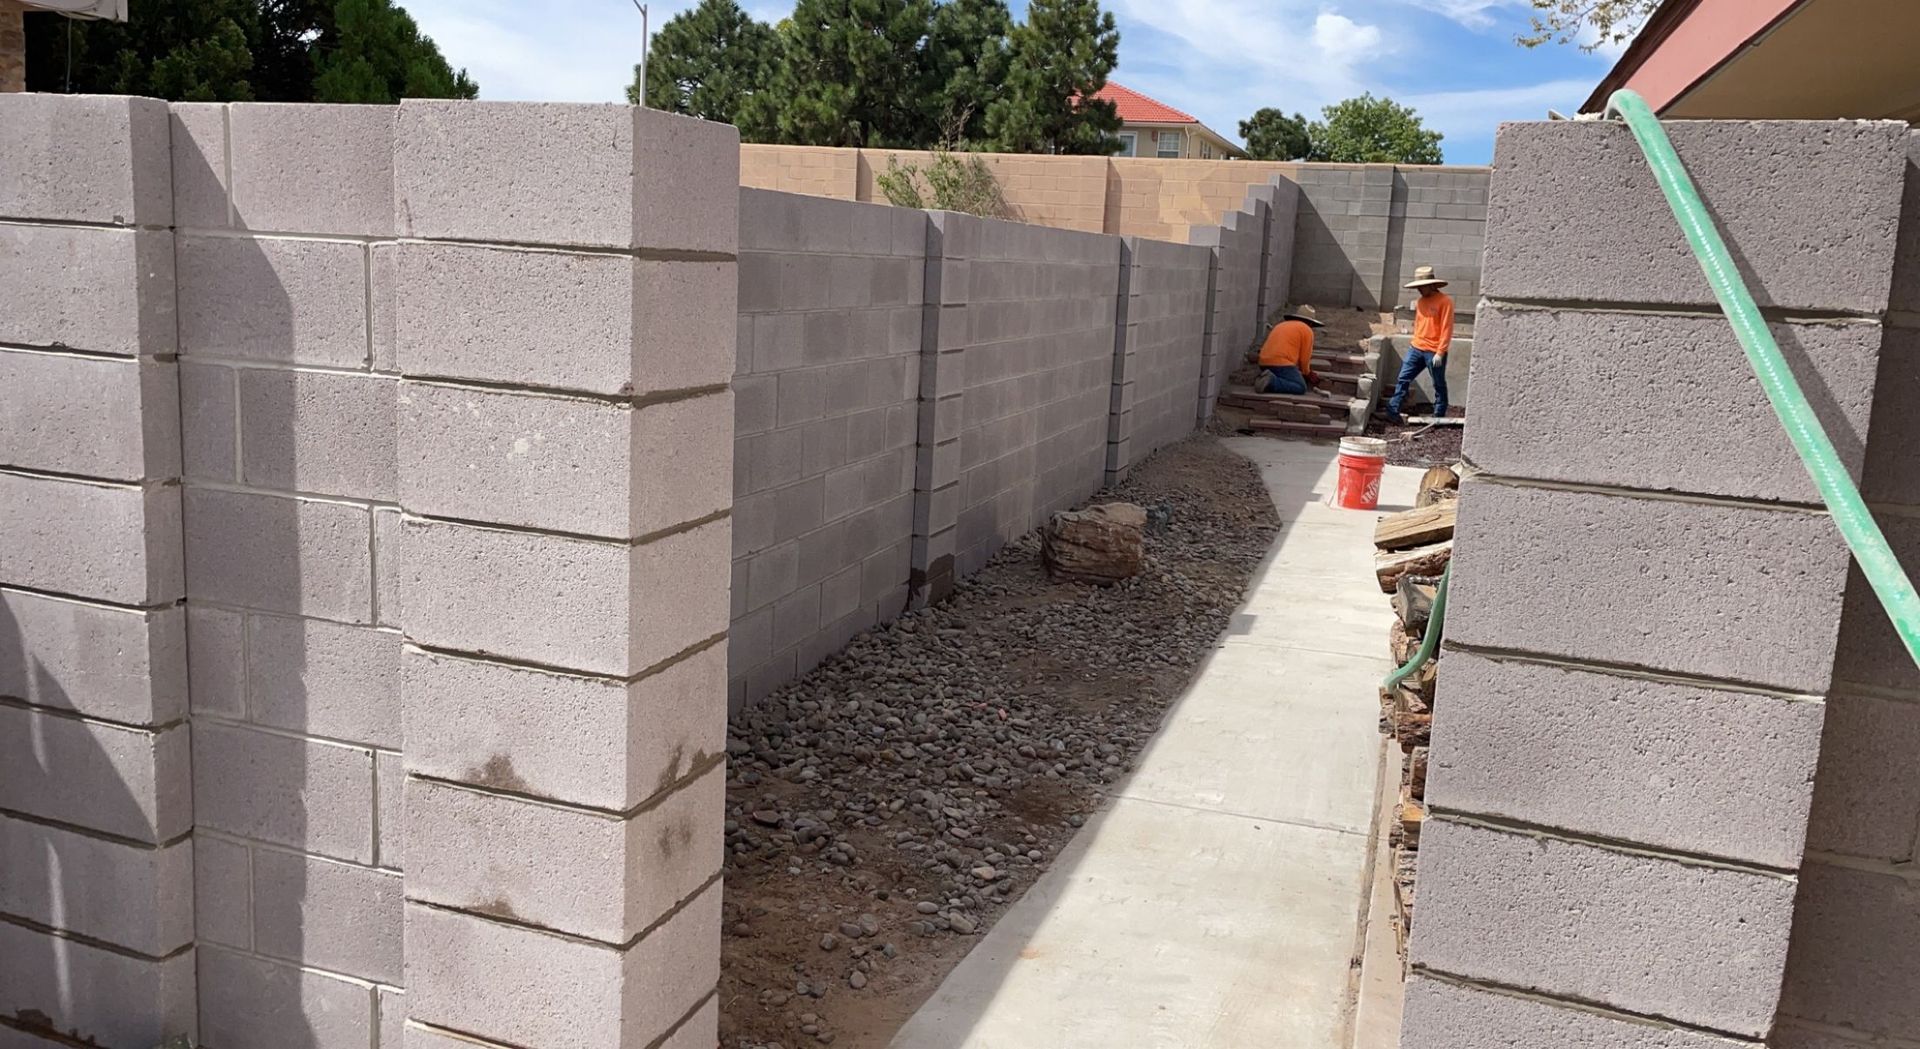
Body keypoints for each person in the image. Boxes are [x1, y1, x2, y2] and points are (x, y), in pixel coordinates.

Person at [1386, 266, 1455, 423]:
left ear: (1432, 285)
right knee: (1403, 378)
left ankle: (1439, 414)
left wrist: (1440, 352)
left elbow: (1447, 328)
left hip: (1434, 351)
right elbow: (1418, 324)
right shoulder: (1421, 301)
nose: (1419, 289)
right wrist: (1414, 343)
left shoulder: (1445, 302)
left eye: (1422, 286)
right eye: (1418, 287)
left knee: (1438, 382)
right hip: (1417, 347)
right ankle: (1393, 409)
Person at [1253, 305, 1325, 395]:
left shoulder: (1281, 325)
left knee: (1287, 376)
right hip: (1282, 364)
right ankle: (1271, 381)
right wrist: (1307, 373)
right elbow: (1304, 359)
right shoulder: (1307, 330)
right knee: (1300, 387)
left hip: (1263, 362)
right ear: (1310, 323)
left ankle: (1266, 378)